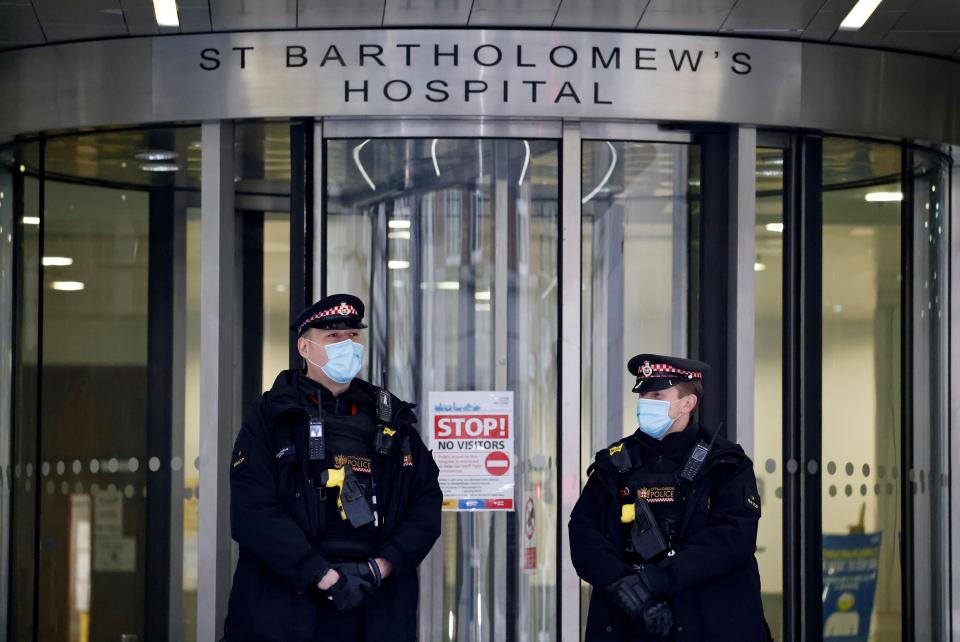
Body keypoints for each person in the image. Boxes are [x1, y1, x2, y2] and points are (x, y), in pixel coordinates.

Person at [222, 294, 443, 642]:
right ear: (305, 348)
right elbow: (254, 511)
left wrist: (379, 568)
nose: (348, 344)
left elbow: (426, 504)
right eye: (333, 337)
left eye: (354, 335)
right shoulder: (270, 418)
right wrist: (320, 574)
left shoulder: (393, 420)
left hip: (374, 606)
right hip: (285, 607)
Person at [569, 354, 771, 642]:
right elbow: (583, 531)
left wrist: (656, 579)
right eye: (643, 394)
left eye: (657, 394)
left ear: (687, 403)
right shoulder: (614, 464)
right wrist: (624, 585)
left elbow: (732, 539)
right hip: (629, 622)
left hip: (709, 623)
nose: (645, 402)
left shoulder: (725, 464)